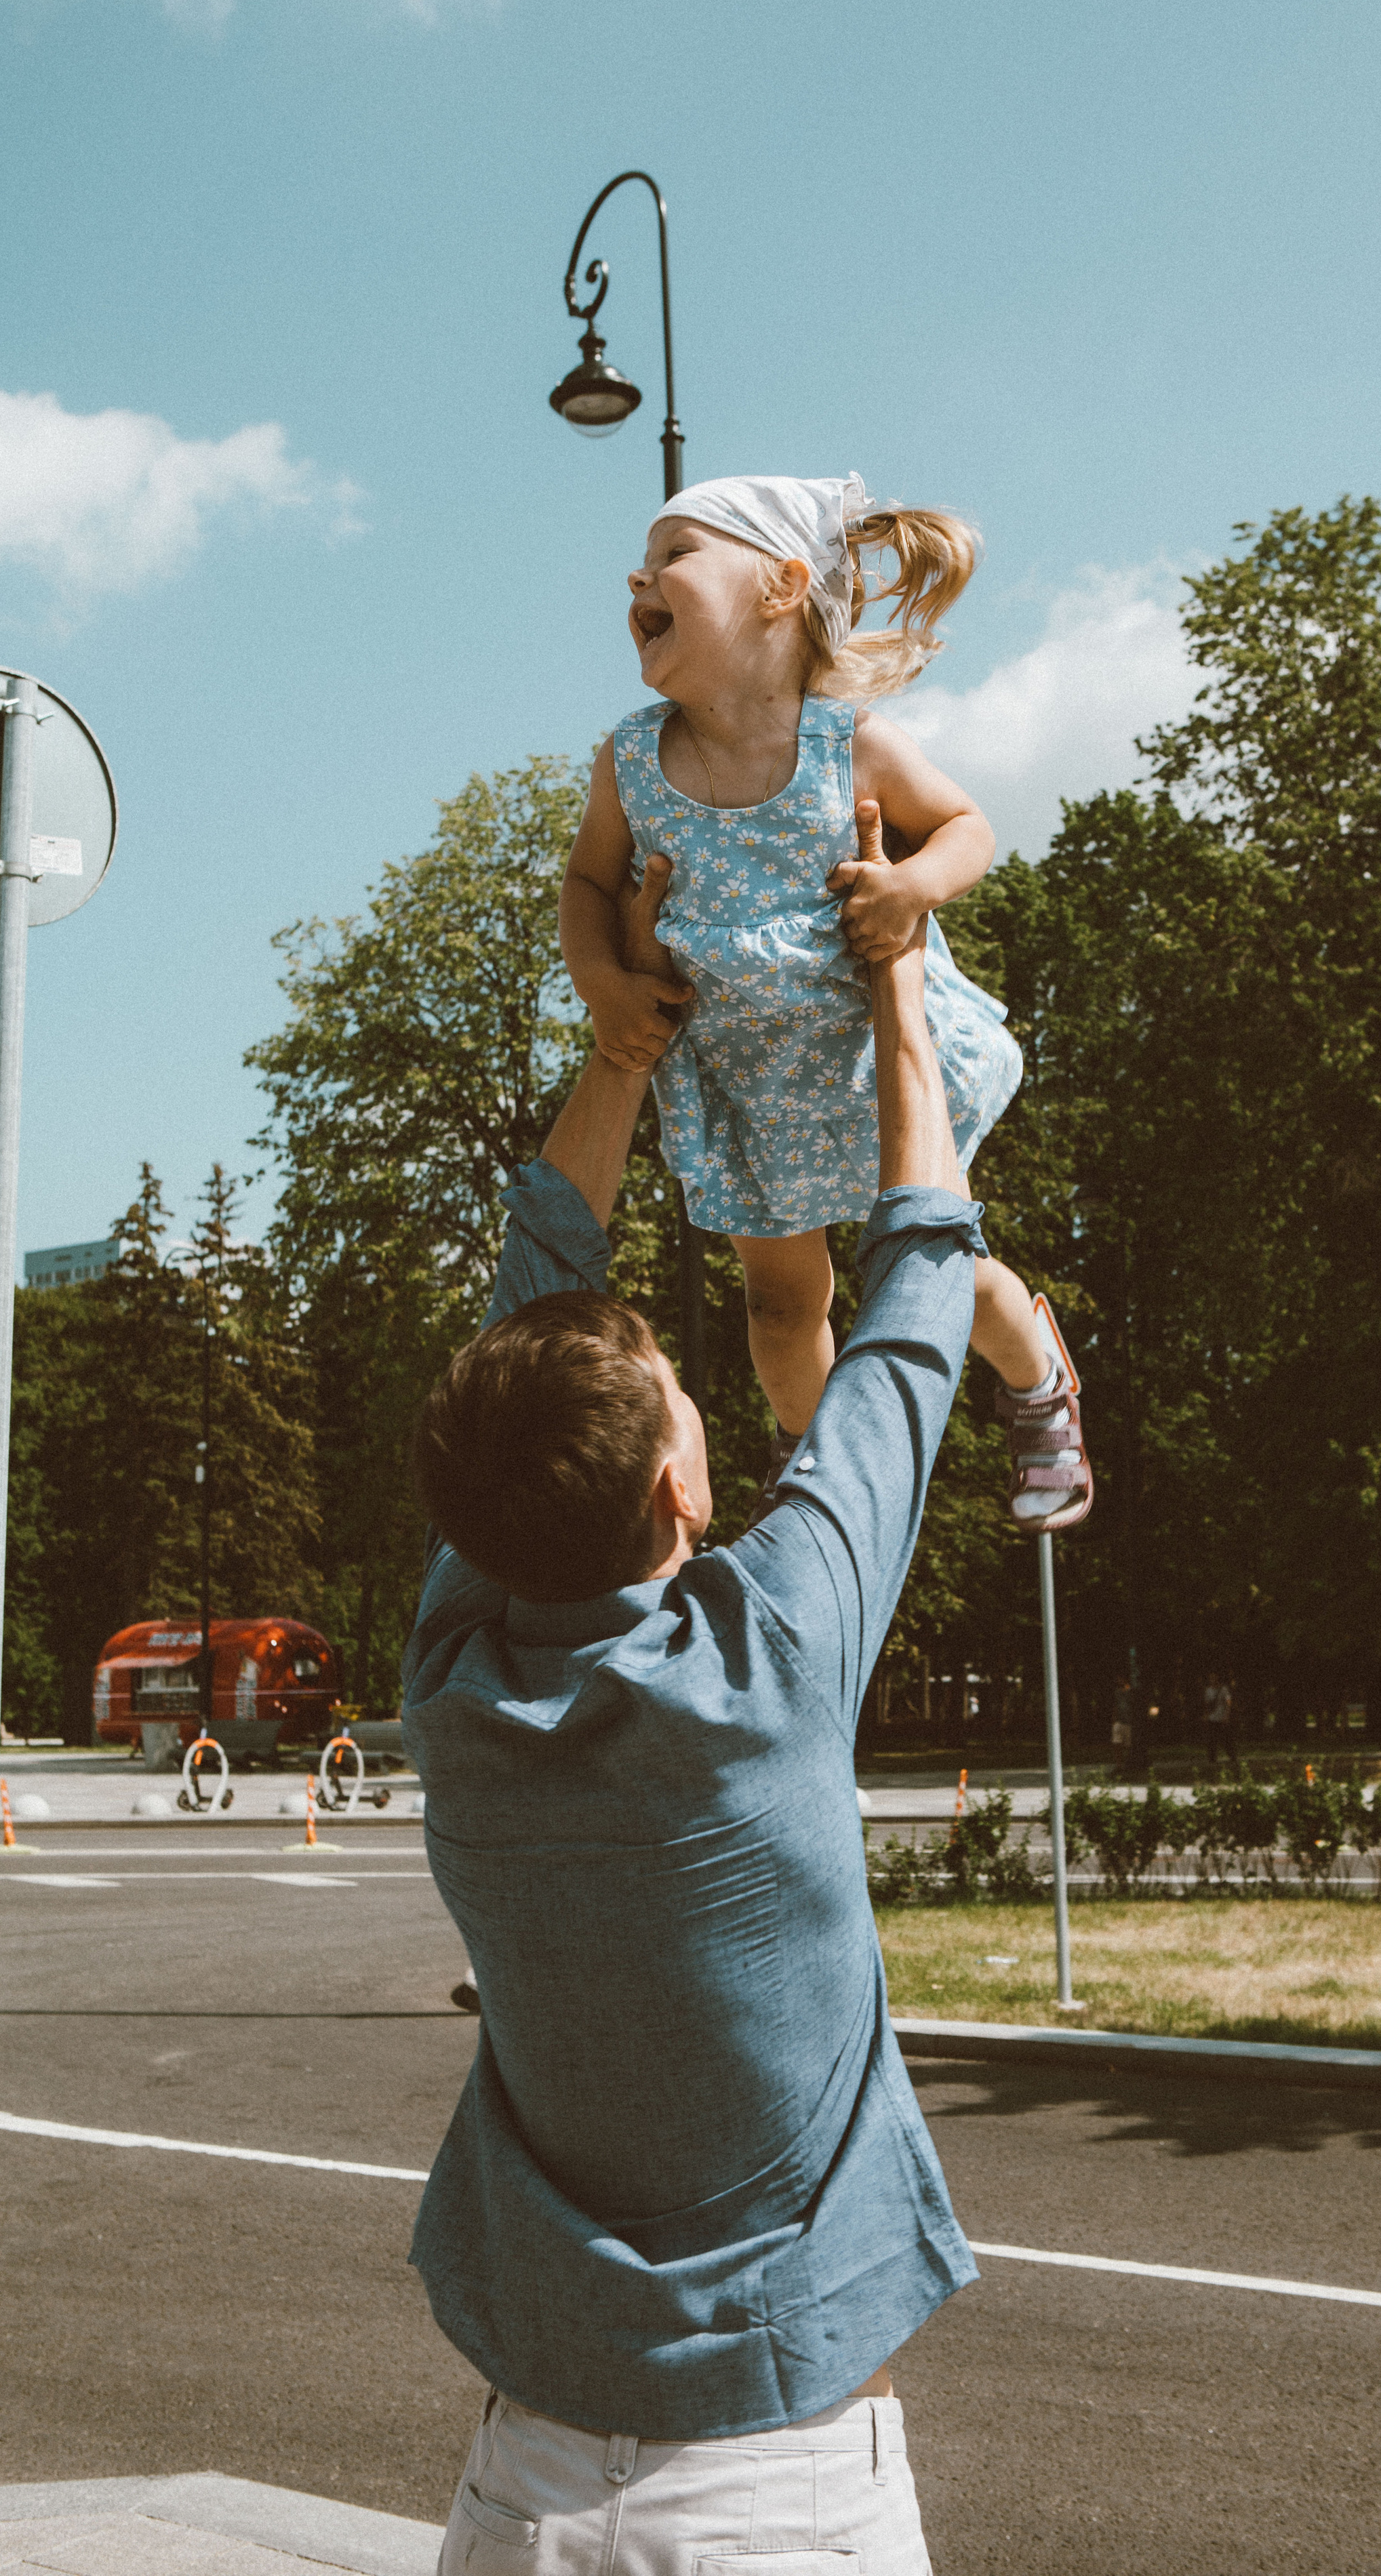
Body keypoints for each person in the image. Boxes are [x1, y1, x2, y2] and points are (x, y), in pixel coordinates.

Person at [404, 870, 987, 2575]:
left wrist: (623, 1049)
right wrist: (893, 1003)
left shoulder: (456, 1680)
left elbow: (884, 1305)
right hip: (776, 2499)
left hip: (521, 2491)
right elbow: (917, 1298)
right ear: (682, 1477)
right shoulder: (768, 1653)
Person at [558, 471, 1091, 1533]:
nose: (640, 575)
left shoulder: (848, 746)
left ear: (782, 588)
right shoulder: (632, 763)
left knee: (938, 1274)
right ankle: (813, 1464)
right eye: (643, 559)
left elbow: (967, 828)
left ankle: (1039, 1378)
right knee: (779, 1308)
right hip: (753, 1089)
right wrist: (603, 983)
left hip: (868, 1068)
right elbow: (584, 884)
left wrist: (911, 889)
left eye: (675, 555)